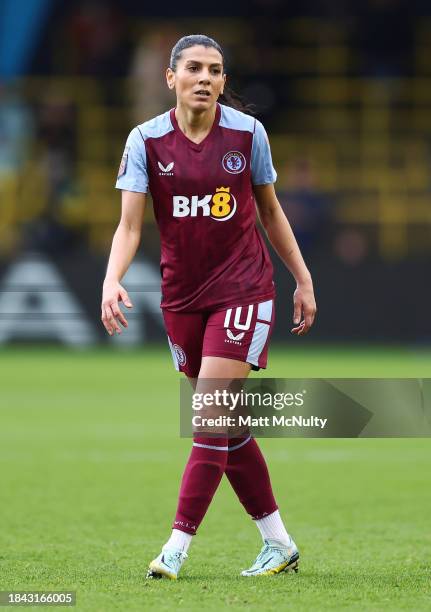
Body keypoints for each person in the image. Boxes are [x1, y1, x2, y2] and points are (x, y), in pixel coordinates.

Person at [101, 34, 316, 580]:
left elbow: (270, 212)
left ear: (223, 81)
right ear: (169, 78)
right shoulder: (146, 141)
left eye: (215, 71)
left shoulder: (248, 134)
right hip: (182, 298)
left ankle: (175, 547)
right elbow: (130, 225)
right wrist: (111, 279)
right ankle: (279, 544)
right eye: (193, 68)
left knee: (208, 415)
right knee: (228, 424)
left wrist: (302, 277)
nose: (205, 78)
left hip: (243, 290)